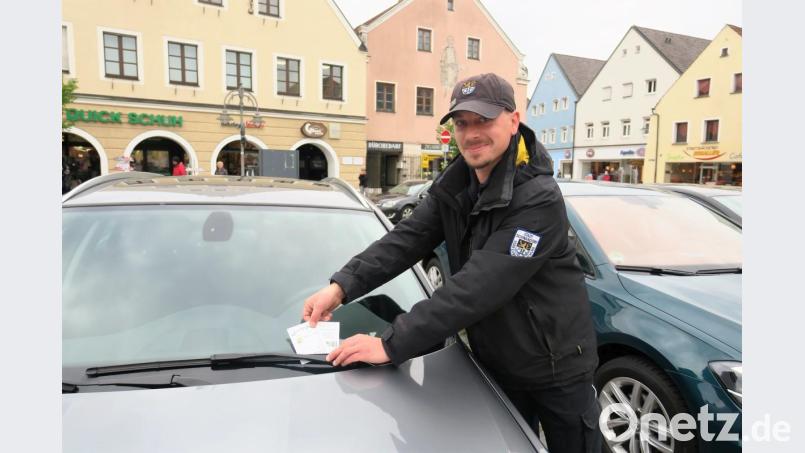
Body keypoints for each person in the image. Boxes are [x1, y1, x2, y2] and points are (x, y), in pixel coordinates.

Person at [302, 73, 601, 452]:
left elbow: (480, 285)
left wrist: (392, 344)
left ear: (514, 120)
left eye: (484, 121)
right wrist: (342, 286)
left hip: (557, 368)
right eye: (462, 123)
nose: (472, 133)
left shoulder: (537, 198)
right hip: (496, 364)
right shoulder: (456, 185)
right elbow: (406, 239)